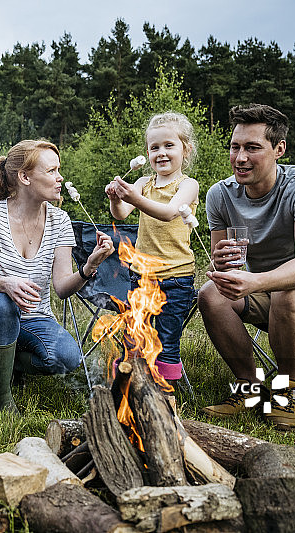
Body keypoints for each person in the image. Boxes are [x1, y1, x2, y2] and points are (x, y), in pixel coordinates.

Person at [198, 103, 295, 431]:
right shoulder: (219, 196)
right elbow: (222, 260)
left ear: (278, 149)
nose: (240, 157)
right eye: (235, 147)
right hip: (263, 288)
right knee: (211, 294)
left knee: (289, 292)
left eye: (252, 148)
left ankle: (285, 393)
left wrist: (255, 282)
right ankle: (249, 388)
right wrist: (221, 262)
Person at [0, 140, 115, 413]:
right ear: (25, 177)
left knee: (66, 358)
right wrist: (5, 284)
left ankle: (6, 363)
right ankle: (0, 398)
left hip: (34, 319)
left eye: (59, 169)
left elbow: (63, 288)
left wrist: (88, 267)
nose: (60, 177)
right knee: (2, 303)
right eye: (52, 171)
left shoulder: (60, 220)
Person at [105, 111, 200, 383]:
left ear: (186, 149)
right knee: (134, 337)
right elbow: (121, 214)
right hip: (142, 276)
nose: (161, 153)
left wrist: (135, 197)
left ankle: (164, 392)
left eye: (169, 145)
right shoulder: (142, 183)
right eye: (154, 147)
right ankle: (131, 387)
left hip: (176, 278)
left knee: (167, 341)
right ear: (147, 153)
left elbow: (169, 212)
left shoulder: (187, 185)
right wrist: (116, 198)